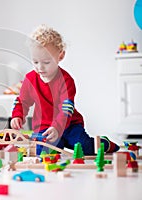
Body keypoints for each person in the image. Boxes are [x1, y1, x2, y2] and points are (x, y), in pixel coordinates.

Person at [10, 25, 119, 156]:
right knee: (41, 152)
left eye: (46, 62)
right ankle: (59, 142)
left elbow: (66, 110)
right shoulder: (30, 79)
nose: (40, 67)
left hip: (69, 125)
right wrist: (17, 115)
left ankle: (104, 143)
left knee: (86, 148)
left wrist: (57, 127)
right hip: (44, 127)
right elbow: (22, 101)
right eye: (35, 62)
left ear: (60, 56)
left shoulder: (66, 81)